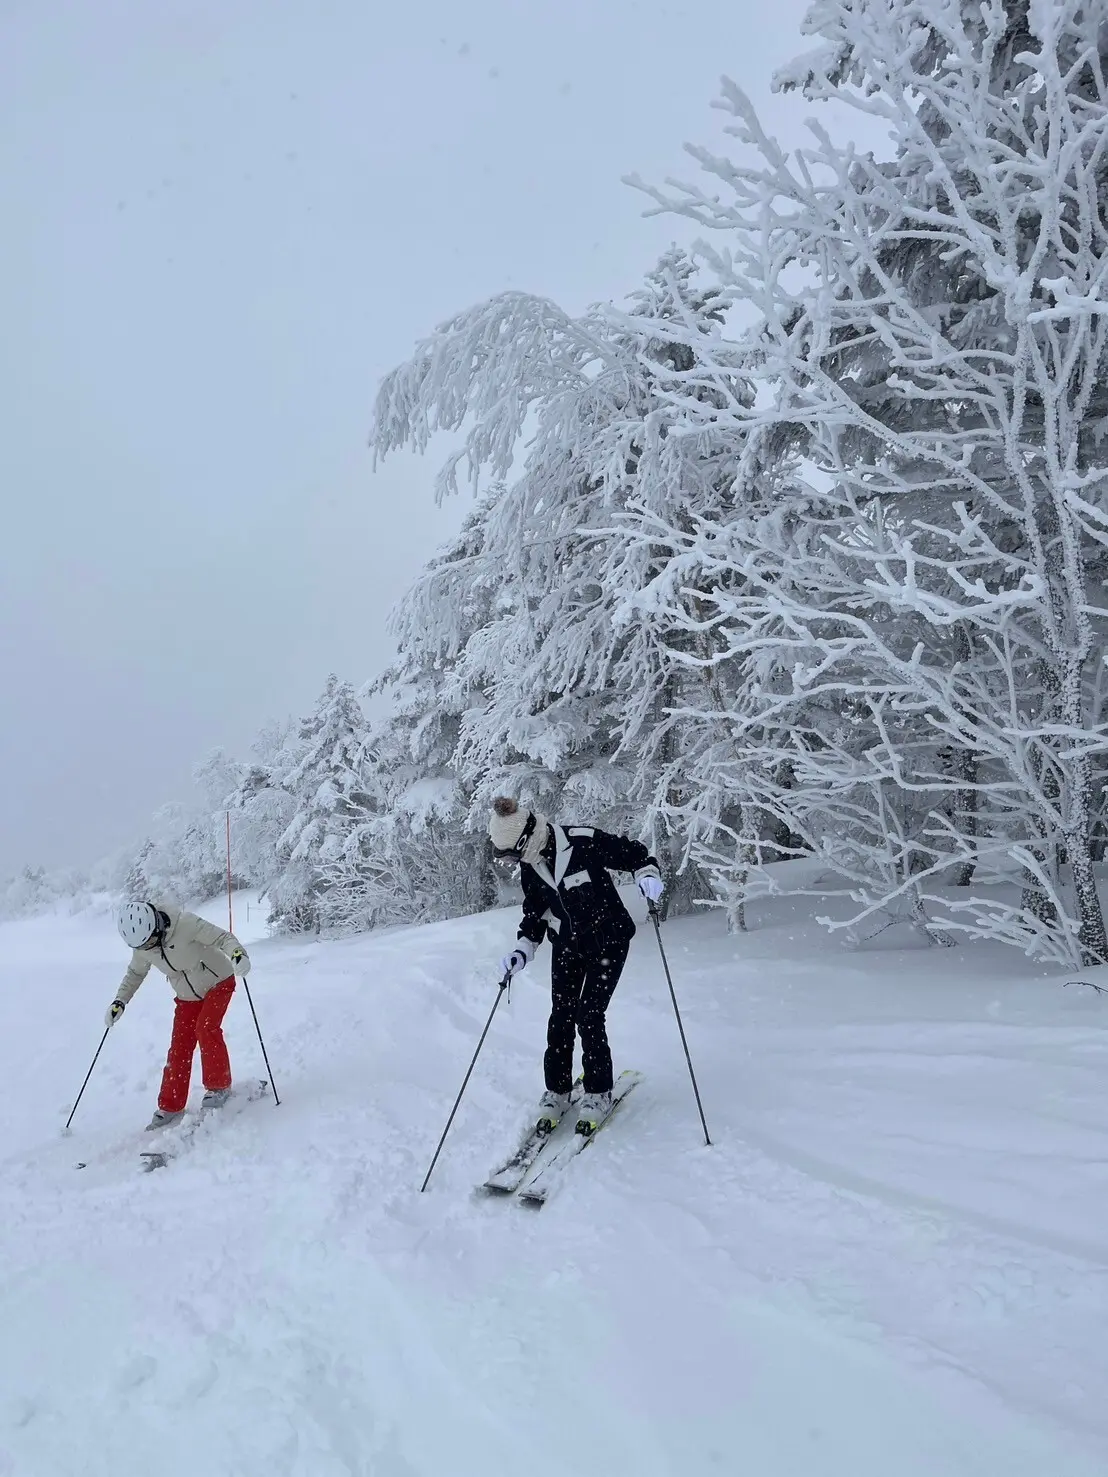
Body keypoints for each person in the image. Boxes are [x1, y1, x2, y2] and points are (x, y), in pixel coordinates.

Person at [488, 797, 664, 1135]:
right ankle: (558, 1090)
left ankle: (598, 1092)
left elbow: (634, 855)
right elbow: (535, 911)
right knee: (561, 1015)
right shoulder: (531, 865)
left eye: (509, 854)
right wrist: (523, 947)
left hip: (608, 940)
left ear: (525, 840)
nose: (510, 862)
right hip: (567, 945)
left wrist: (646, 875)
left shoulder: (582, 841)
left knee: (589, 1015)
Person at [106, 900, 252, 1130]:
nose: (148, 948)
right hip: (187, 995)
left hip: (218, 982)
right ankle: (171, 1105)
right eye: (143, 946)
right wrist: (119, 1001)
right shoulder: (143, 947)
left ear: (156, 926)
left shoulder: (185, 923)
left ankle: (219, 1087)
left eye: (150, 941)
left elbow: (222, 938)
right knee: (179, 1046)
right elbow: (135, 973)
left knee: (206, 1028)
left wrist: (238, 954)